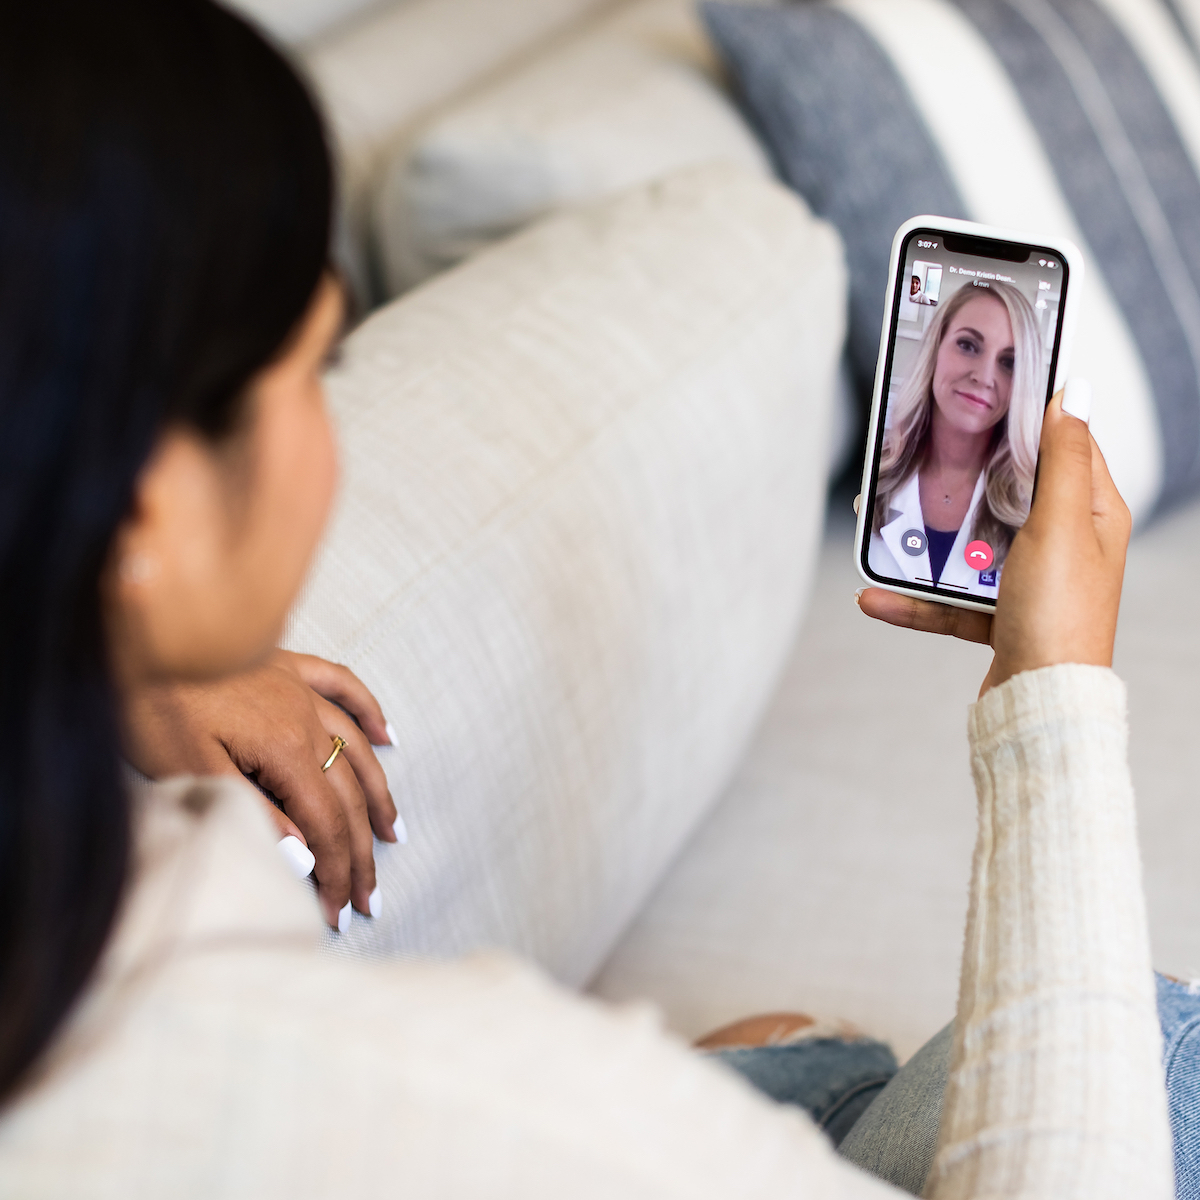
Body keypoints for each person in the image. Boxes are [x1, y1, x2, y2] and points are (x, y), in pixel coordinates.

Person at [0, 3, 1175, 1195]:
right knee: (1162, 1047)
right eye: (319, 368)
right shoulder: (387, 1078)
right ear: (150, 512)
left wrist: (103, 642)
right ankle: (811, 1101)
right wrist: (1055, 685)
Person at [869, 280, 1042, 596]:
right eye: (968, 345)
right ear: (936, 347)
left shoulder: (1036, 508)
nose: (984, 376)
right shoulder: (873, 467)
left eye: (1009, 362)